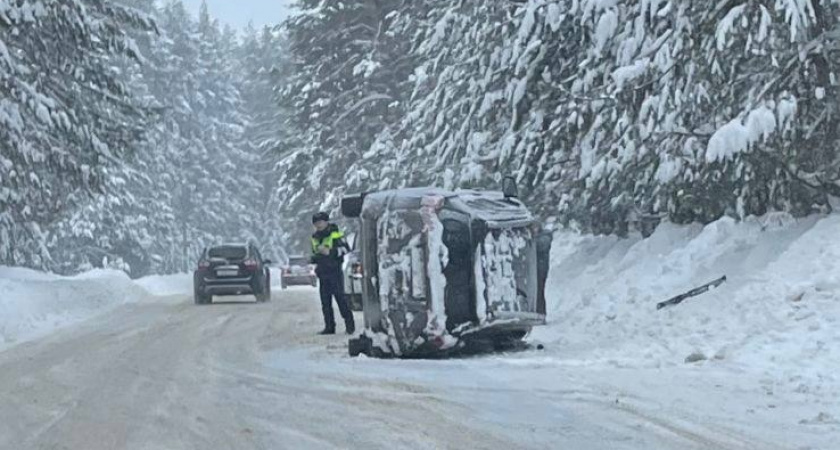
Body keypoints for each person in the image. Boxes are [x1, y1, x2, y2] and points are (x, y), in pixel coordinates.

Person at [310, 212, 355, 335]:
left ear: (326, 222)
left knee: (341, 299)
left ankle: (350, 325)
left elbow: (346, 249)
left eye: (320, 222)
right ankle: (329, 326)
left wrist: (331, 252)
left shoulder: (335, 234)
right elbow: (315, 253)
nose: (318, 225)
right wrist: (314, 258)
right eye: (316, 223)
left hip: (334, 271)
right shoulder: (315, 237)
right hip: (322, 272)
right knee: (325, 302)